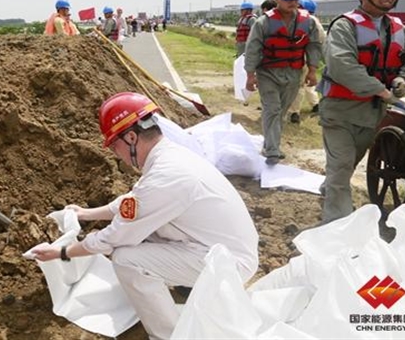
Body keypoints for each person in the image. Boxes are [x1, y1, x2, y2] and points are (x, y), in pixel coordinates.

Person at [31, 92, 259, 340]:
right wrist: (85, 214)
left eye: (114, 145)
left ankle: (168, 335)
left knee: (127, 258)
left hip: (230, 263)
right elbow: (134, 202)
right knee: (141, 238)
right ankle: (184, 290)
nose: (115, 153)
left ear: (131, 137)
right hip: (217, 248)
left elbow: (113, 238)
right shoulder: (169, 157)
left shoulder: (167, 176)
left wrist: (63, 253)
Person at [318, 0, 405, 224]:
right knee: (341, 167)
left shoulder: (399, 28)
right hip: (340, 110)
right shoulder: (345, 26)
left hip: (373, 113)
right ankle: (337, 230)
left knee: (347, 164)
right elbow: (342, 65)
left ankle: (330, 187)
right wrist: (381, 91)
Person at [244, 0, 323, 165]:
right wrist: (250, 75)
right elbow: (253, 48)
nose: (292, 3)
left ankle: (269, 143)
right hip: (268, 73)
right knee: (272, 108)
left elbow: (313, 46)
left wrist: (312, 70)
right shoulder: (263, 23)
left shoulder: (308, 22)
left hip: (294, 73)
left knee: (281, 111)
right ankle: (272, 150)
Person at [287, 0, 324, 123]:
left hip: (299, 57)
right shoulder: (316, 22)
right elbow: (321, 41)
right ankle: (316, 104)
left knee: (297, 85)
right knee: (308, 83)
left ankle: (294, 112)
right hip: (312, 58)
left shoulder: (302, 21)